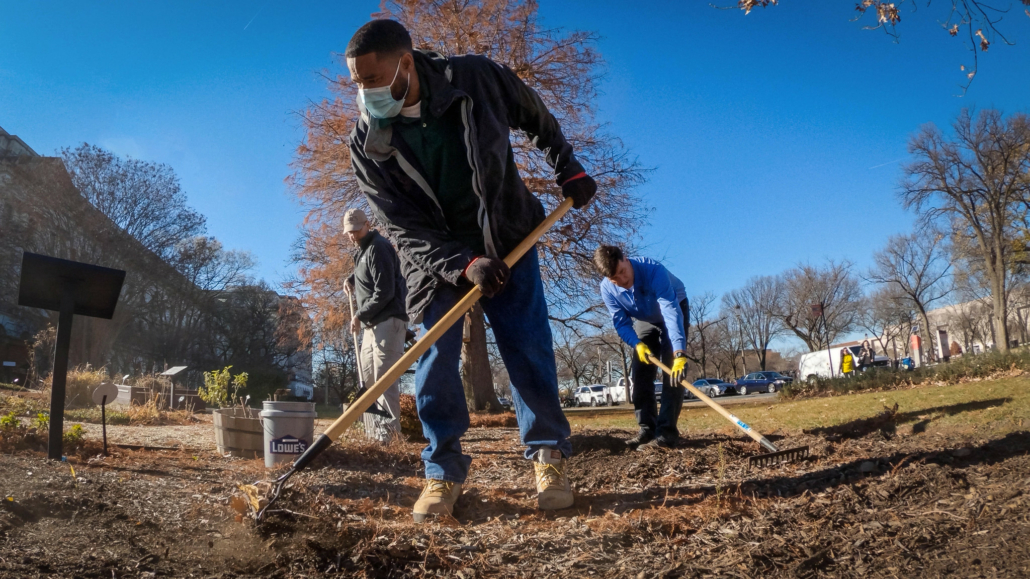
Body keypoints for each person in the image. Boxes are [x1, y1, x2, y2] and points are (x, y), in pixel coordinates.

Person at [345, 19, 597, 522]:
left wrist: (566, 165)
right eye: (357, 83)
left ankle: (548, 456)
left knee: (527, 347)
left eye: (372, 80)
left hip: (509, 236)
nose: (364, 93)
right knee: (436, 359)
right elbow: (402, 228)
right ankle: (442, 472)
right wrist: (462, 264)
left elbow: (536, 115)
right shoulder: (367, 144)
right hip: (435, 261)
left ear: (406, 63)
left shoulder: (477, 79)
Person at [593, 245, 689, 450]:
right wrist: (636, 344)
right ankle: (647, 429)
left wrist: (679, 352)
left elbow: (670, 311)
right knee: (640, 371)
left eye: (622, 272)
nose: (622, 280)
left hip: (673, 307)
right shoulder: (607, 289)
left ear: (626, 259)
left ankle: (666, 434)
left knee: (673, 370)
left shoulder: (653, 270)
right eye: (614, 279)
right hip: (645, 319)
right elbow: (621, 323)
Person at [343, 209, 408, 442]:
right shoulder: (362, 252)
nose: (352, 235)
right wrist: (352, 279)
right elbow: (367, 273)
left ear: (367, 224)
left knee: (384, 380)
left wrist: (359, 315)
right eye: (348, 232)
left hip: (388, 322)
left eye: (356, 230)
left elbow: (385, 291)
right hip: (372, 325)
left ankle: (390, 437)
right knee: (369, 379)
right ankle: (375, 433)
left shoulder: (379, 247)